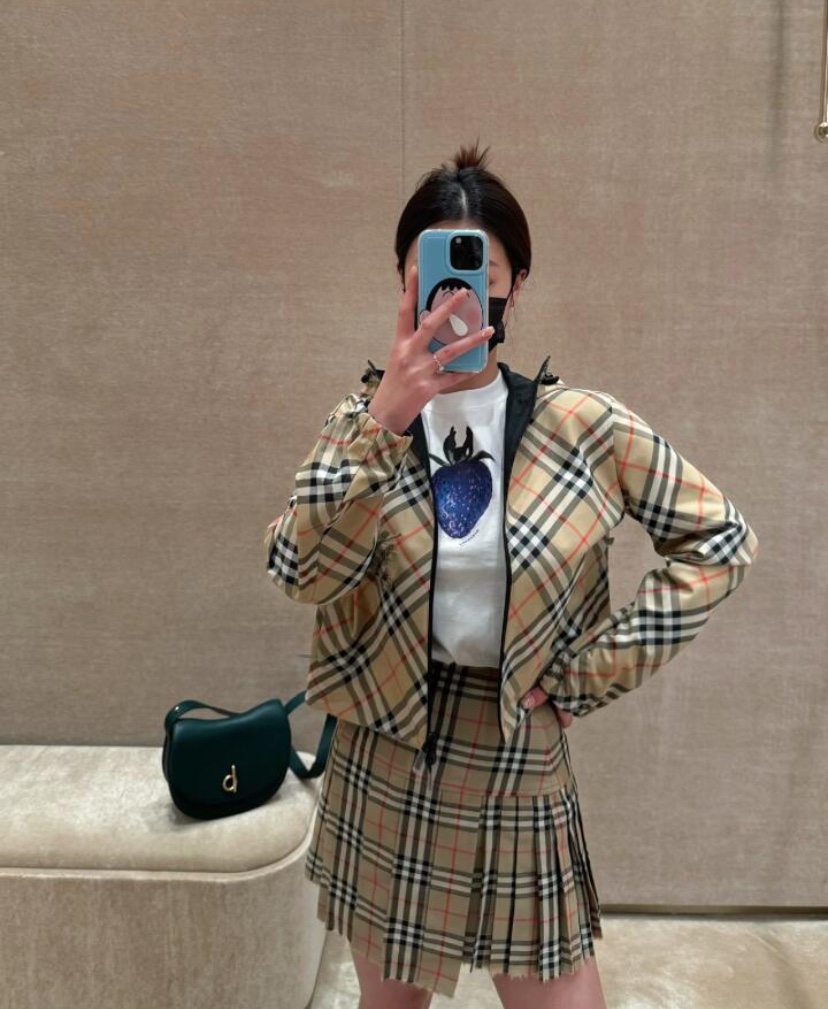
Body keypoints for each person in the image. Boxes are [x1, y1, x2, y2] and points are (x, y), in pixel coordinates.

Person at [264, 142, 759, 1009]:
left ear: (515, 286)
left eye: (481, 274)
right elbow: (301, 571)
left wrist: (593, 671)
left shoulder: (584, 427)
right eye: (435, 273)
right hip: (386, 750)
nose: (458, 298)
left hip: (520, 750)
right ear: (404, 281)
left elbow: (720, 539)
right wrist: (384, 422)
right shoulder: (362, 425)